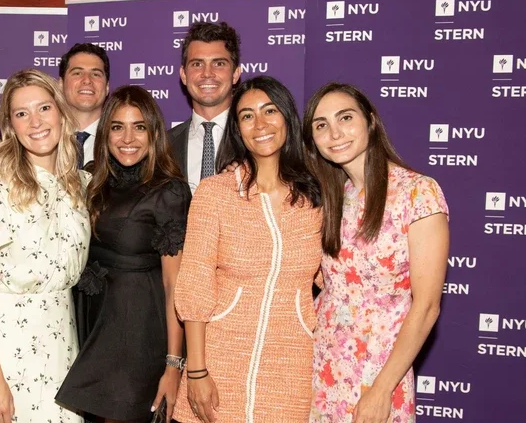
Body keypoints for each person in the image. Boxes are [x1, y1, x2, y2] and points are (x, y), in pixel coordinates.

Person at [173, 76, 323, 423]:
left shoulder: (317, 199)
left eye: (270, 111)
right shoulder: (215, 193)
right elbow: (194, 284)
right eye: (247, 116)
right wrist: (196, 370)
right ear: (238, 129)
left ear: (287, 117)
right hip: (220, 358)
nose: (261, 124)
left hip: (292, 363)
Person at [303, 83, 449, 423]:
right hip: (322, 362)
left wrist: (383, 389)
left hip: (380, 368)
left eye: (345, 118)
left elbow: (426, 307)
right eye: (321, 125)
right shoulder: (334, 199)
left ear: (370, 122)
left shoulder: (418, 193)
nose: (334, 133)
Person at [0, 68, 92, 423]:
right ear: (10, 126)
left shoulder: (82, 186)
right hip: (3, 355)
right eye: (21, 113)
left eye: (44, 108)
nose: (35, 122)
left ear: (62, 113)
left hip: (63, 351)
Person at [56, 85, 192, 422]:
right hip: (92, 320)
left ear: (153, 133)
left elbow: (175, 284)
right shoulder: (94, 180)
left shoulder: (169, 190)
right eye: (117, 126)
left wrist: (174, 365)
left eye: (139, 127)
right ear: (105, 133)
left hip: (137, 330)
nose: (127, 138)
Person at [167, 21, 242, 194]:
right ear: (184, 75)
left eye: (219, 63)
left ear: (236, 74)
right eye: (197, 64)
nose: (207, 73)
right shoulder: (164, 146)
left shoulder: (255, 140)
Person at [59, 42, 111, 169]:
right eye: (77, 73)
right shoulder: (42, 138)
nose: (87, 80)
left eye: (96, 74)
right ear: (60, 84)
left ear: (107, 87)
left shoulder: (121, 142)